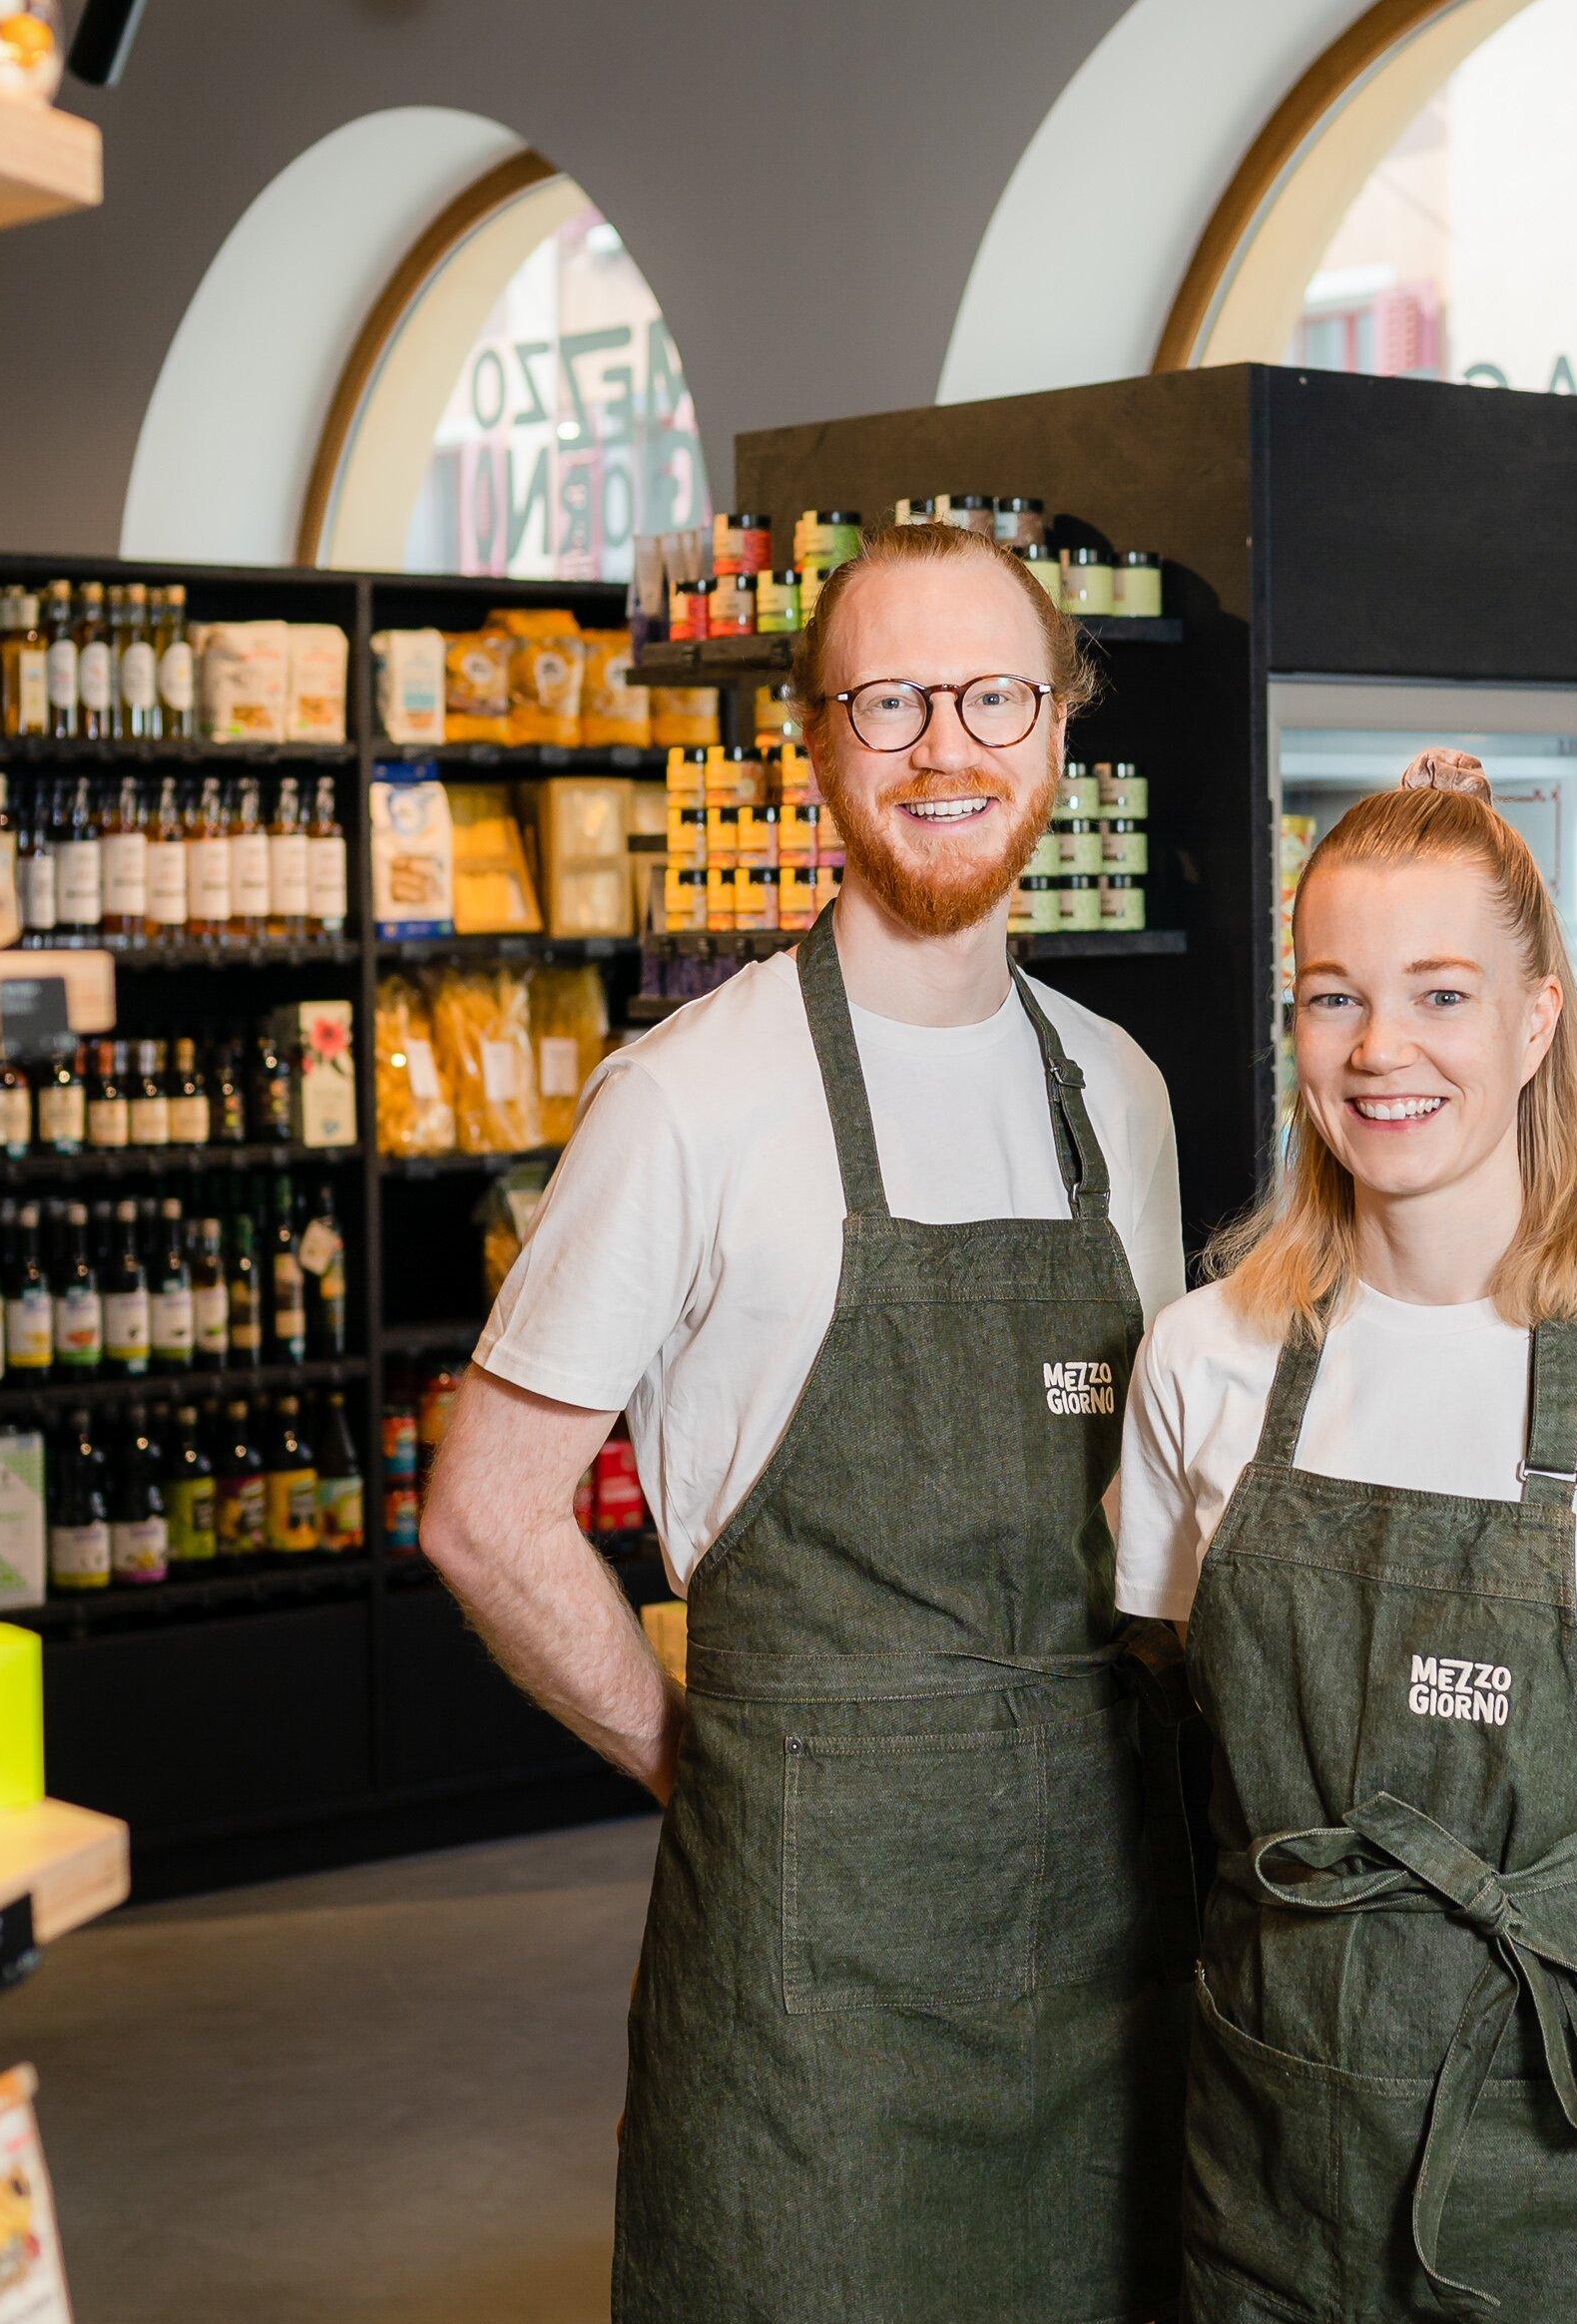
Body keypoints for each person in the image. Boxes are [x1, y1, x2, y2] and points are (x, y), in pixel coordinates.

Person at [422, 522, 1195, 2321]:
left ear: (1061, 732)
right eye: (892, 701)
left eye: (995, 696)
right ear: (813, 742)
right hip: (809, 1982)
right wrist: (701, 1759)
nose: (948, 747)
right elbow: (487, 1511)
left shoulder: (1122, 1093)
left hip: (1108, 1932)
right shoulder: (689, 1100)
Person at [1117, 750, 1577, 2321]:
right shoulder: (1203, 1359)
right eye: (1333, 997)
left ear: (1536, 1019)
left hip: (1574, 2117)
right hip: (1276, 2120)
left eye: (1441, 994)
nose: (1381, 1051)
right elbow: (1180, 1715)